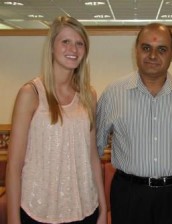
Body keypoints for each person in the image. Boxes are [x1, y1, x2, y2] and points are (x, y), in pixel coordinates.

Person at [96, 23, 172, 224]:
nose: (152, 55)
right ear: (136, 50)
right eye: (146, 47)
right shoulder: (113, 94)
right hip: (129, 197)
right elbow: (93, 150)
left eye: (162, 49)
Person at [6, 16, 107, 224]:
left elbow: (92, 158)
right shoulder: (31, 93)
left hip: (85, 208)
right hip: (37, 210)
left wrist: (103, 208)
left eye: (80, 44)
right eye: (65, 42)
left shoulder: (89, 95)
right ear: (52, 47)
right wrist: (12, 220)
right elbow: (14, 167)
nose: (73, 49)